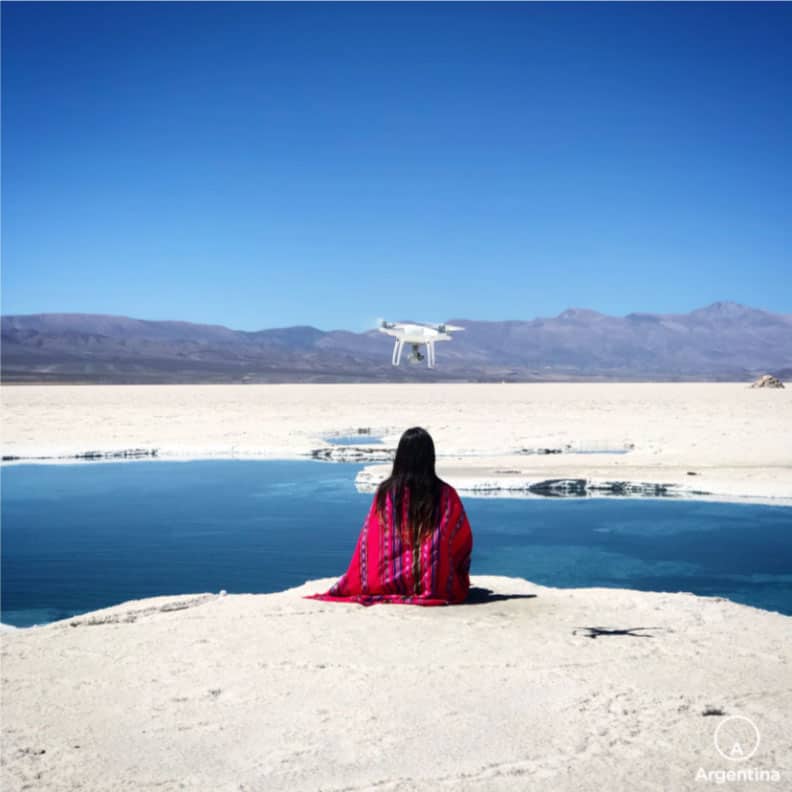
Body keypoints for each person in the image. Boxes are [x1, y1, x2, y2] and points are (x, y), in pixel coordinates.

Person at [304, 426, 473, 606]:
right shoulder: (446, 494)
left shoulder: (386, 493)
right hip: (435, 583)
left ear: (400, 457)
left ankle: (394, 579)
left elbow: (369, 543)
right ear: (430, 457)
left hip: (382, 581)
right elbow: (462, 540)